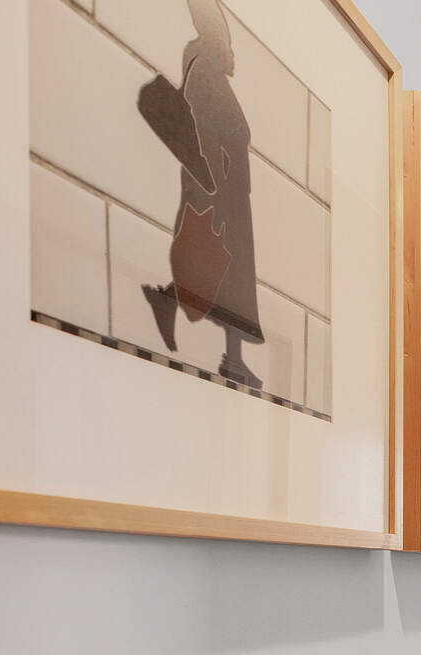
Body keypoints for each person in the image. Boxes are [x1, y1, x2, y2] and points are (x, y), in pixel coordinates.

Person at [140, 0, 264, 387]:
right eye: (229, 45)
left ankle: (173, 305)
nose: (234, 55)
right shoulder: (205, 74)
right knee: (227, 276)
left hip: (221, 194)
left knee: (224, 275)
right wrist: (215, 190)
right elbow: (214, 138)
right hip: (219, 196)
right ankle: (232, 357)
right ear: (216, 43)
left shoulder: (206, 74)